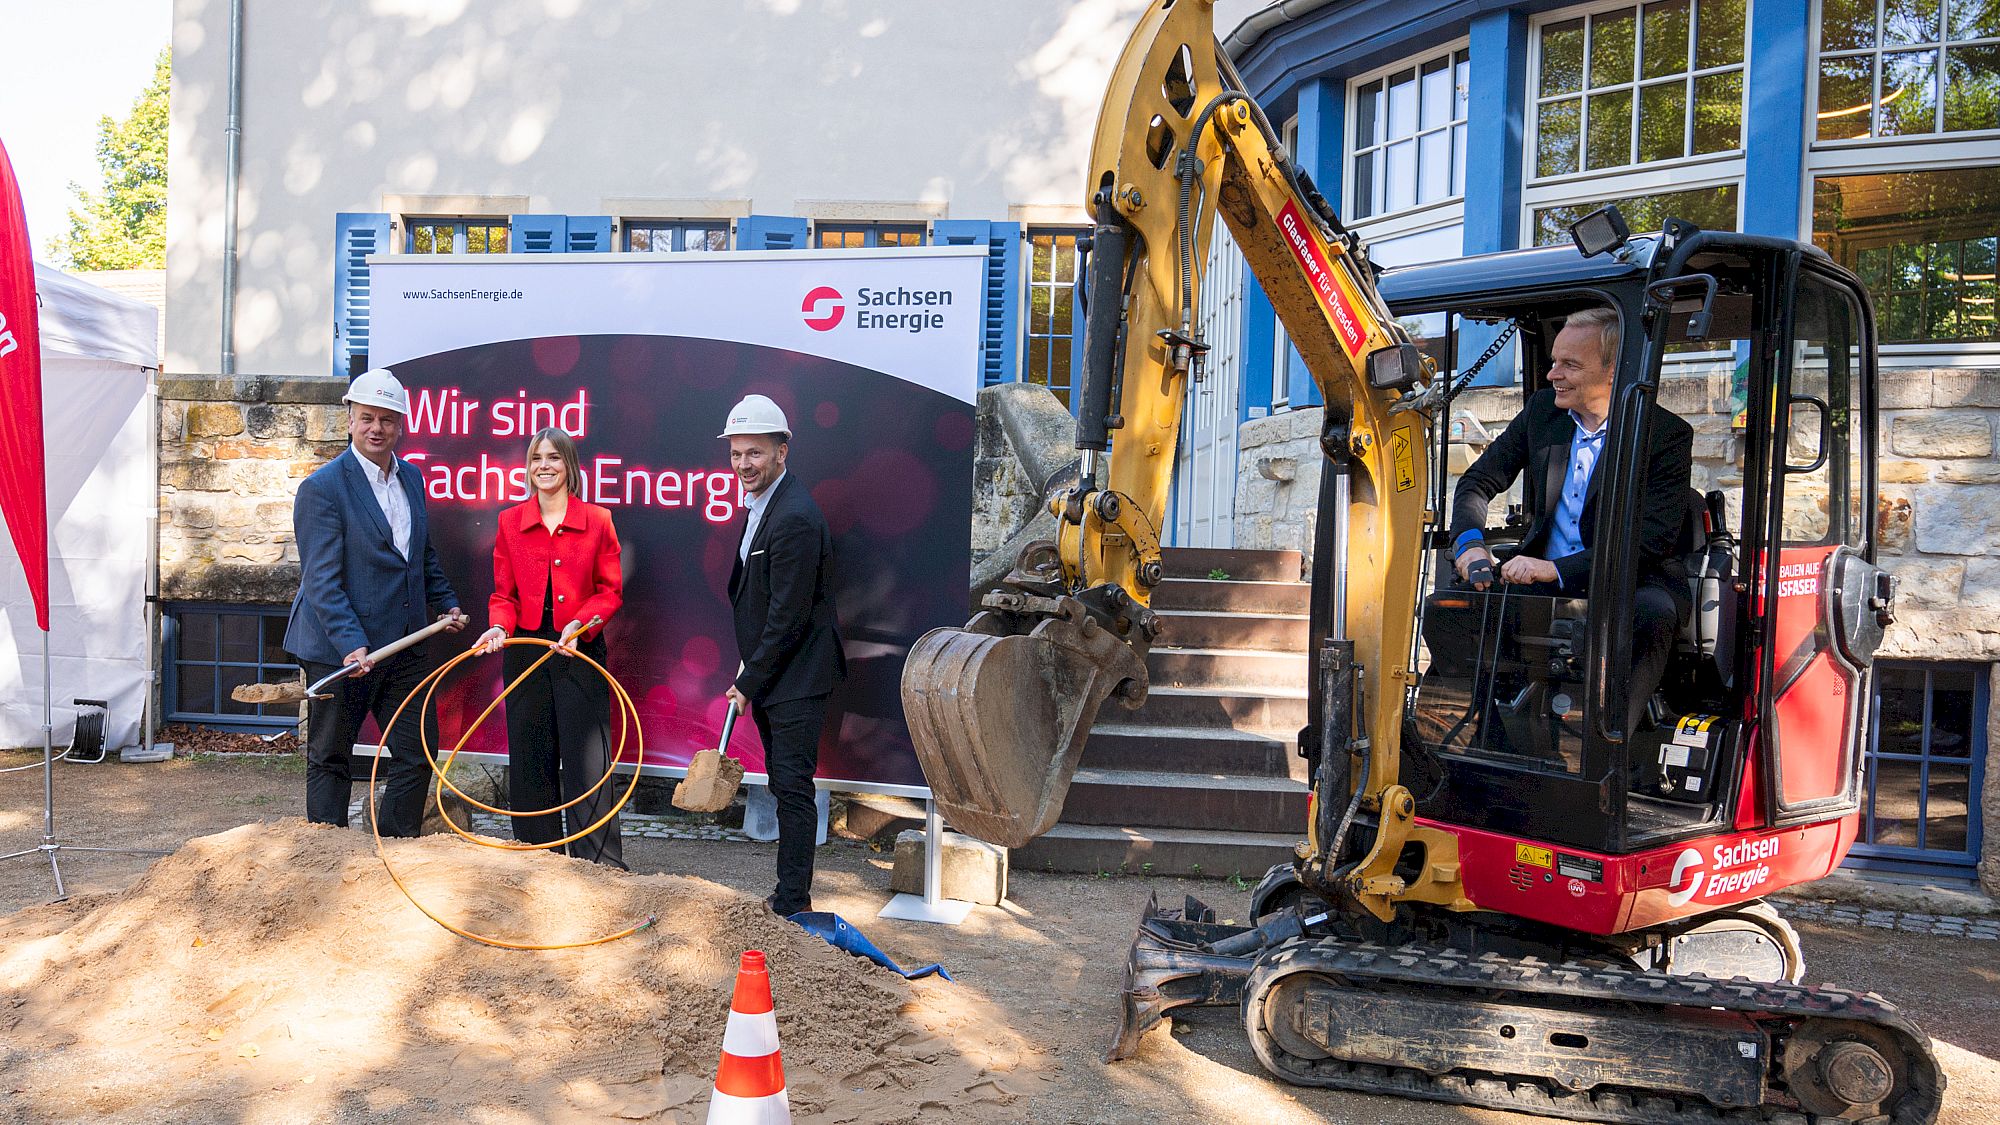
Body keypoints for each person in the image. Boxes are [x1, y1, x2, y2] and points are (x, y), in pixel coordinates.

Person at [1449, 306, 1693, 739]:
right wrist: (1470, 546)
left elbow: (1650, 542)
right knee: (1453, 606)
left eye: (1570, 365)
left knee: (1652, 613)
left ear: (1614, 369)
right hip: (1543, 578)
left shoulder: (1664, 434)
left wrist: (1555, 569)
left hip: (1628, 581)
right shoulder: (1543, 412)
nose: (1553, 374)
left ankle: (1609, 747)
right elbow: (1477, 482)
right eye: (1553, 361)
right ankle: (1490, 741)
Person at [285, 368, 467, 835]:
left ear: (400, 425)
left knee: (417, 752)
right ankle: (325, 857)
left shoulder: (412, 478)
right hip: (338, 650)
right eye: (367, 417)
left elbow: (420, 556)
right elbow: (322, 581)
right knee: (331, 756)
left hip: (402, 644)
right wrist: (351, 643)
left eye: (387, 419)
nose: (376, 428)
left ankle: (392, 851)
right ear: (350, 419)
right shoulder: (322, 489)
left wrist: (446, 603)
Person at [474, 428, 627, 868]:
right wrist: (498, 627)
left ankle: (600, 866)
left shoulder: (598, 520)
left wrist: (582, 623)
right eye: (537, 457)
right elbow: (503, 594)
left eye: (554, 457)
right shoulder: (510, 521)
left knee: (589, 763)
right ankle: (538, 861)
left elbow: (610, 591)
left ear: (569, 465)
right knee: (530, 757)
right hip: (525, 650)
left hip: (580, 649)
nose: (544, 465)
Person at [719, 393, 845, 916]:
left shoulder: (793, 516)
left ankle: (793, 902)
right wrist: (753, 669)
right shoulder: (767, 505)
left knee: (792, 787)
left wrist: (749, 681)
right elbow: (765, 601)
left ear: (781, 451)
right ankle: (788, 897)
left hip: (797, 676)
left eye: (755, 452)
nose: (743, 464)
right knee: (784, 782)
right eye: (736, 453)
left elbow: (788, 617)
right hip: (779, 674)